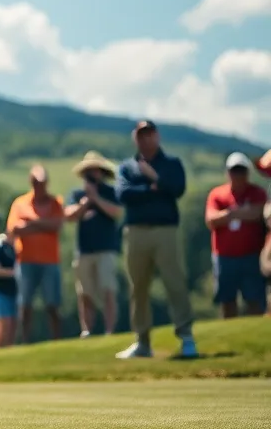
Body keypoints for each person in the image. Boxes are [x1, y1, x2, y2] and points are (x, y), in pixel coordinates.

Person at [114, 121, 196, 359]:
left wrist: (155, 179)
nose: (145, 139)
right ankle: (142, 342)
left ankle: (187, 337)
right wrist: (153, 189)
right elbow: (123, 194)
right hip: (136, 232)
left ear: (157, 136)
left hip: (165, 231)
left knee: (174, 283)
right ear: (135, 138)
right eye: (141, 135)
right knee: (138, 287)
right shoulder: (127, 167)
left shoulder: (171, 164)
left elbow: (177, 189)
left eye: (149, 134)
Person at [65, 152, 122, 336]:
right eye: (89, 170)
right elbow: (69, 216)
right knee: (85, 293)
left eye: (95, 170)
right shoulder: (77, 194)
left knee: (108, 290)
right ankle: (87, 330)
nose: (92, 174)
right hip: (84, 250)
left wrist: (96, 199)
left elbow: (116, 212)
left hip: (106, 249)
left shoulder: (111, 192)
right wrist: (85, 203)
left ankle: (109, 330)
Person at [205, 153, 267, 318]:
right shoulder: (217, 194)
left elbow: (257, 213)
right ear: (227, 172)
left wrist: (228, 214)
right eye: (234, 171)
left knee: (254, 299)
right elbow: (211, 219)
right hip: (225, 257)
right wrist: (240, 212)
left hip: (252, 256)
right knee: (227, 299)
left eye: (241, 171)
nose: (237, 175)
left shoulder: (257, 193)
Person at [7, 165, 65, 343]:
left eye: (42, 182)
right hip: (25, 261)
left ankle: (56, 340)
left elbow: (56, 225)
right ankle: (25, 341)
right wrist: (43, 224)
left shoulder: (56, 203)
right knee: (25, 305)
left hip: (50, 261)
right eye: (36, 182)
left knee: (52, 304)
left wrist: (31, 223)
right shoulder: (20, 203)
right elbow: (14, 229)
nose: (39, 186)